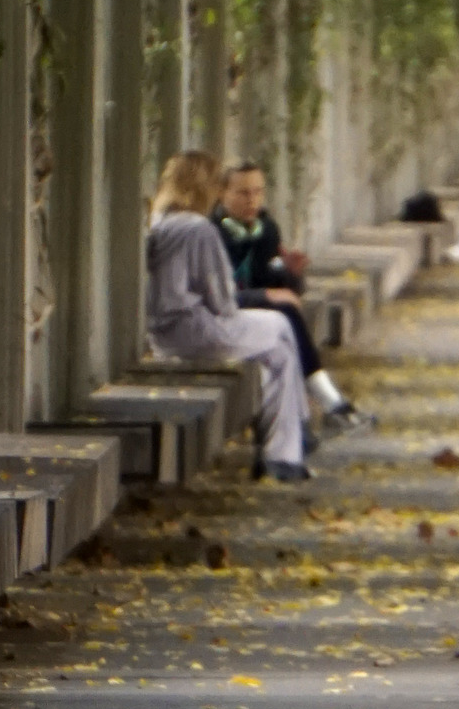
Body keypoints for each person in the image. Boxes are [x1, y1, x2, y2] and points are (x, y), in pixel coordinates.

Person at [146, 149, 311, 481]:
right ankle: (290, 442)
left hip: (162, 333)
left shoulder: (160, 221)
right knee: (280, 323)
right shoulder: (199, 229)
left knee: (279, 354)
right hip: (197, 330)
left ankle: (284, 453)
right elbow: (222, 301)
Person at [213, 161, 365, 428]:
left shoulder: (266, 229)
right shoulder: (210, 234)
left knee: (285, 317)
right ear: (221, 194)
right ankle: (325, 404)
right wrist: (266, 295)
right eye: (243, 193)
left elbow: (277, 284)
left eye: (258, 192)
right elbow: (216, 296)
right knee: (284, 316)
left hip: (253, 312)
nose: (253, 200)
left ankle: (303, 420)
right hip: (217, 317)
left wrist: (291, 273)